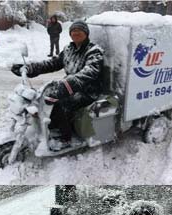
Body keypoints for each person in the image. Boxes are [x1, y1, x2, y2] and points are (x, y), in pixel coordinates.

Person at [10, 20, 104, 151]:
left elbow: (88, 73)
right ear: (70, 34)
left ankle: (66, 138)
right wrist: (30, 68)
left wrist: (65, 86)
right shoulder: (69, 49)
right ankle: (55, 125)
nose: (76, 33)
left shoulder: (94, 52)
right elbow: (52, 64)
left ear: (86, 34)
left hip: (88, 91)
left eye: (80, 31)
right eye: (73, 31)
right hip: (71, 86)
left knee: (60, 104)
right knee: (45, 98)